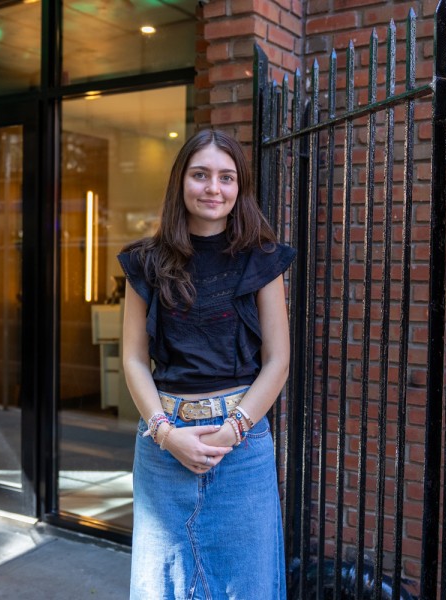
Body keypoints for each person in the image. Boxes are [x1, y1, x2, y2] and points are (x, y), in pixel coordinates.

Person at [118, 129, 296, 599]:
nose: (213, 188)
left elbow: (278, 361)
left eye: (226, 177)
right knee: (162, 585)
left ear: (240, 188)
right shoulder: (146, 261)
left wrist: (232, 430)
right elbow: (133, 358)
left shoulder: (262, 259)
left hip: (242, 442)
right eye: (200, 175)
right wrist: (163, 431)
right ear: (181, 182)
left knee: (248, 586)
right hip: (163, 440)